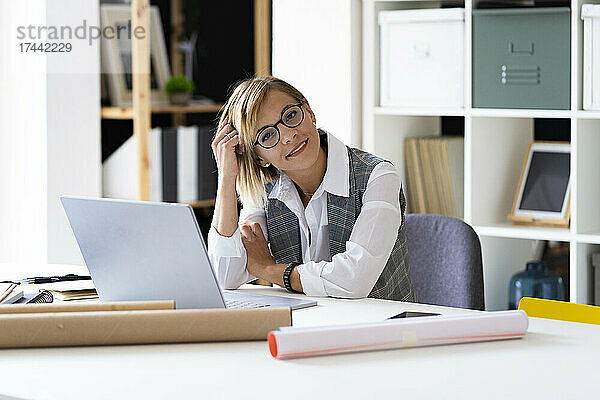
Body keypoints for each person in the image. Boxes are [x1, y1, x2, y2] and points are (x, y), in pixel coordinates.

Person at [207, 76, 416, 301]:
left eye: (291, 116)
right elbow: (225, 275)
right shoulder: (264, 191)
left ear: (309, 110)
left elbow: (355, 281)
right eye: (267, 135)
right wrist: (227, 177)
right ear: (258, 158)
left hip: (384, 330)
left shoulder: (378, 175)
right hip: (307, 328)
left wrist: (269, 270)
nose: (288, 135)